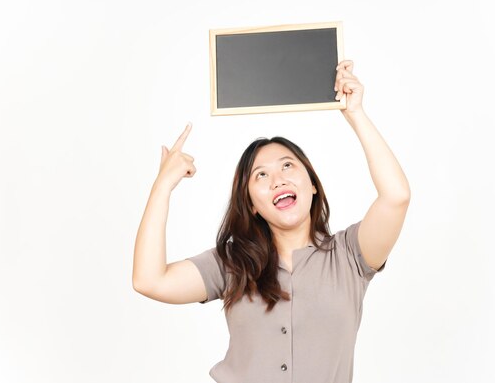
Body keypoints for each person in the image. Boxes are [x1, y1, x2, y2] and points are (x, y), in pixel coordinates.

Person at [132, 60, 411, 383]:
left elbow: (396, 197)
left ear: (313, 184)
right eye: (261, 175)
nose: (277, 179)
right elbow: (149, 280)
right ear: (251, 204)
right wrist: (162, 186)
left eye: (288, 166)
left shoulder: (350, 255)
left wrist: (356, 114)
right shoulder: (232, 263)